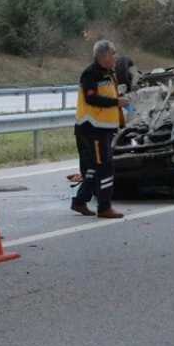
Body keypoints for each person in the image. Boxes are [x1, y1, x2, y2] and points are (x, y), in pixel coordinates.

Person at [71, 39, 129, 219]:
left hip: (104, 128)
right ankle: (104, 206)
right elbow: (91, 99)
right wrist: (115, 102)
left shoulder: (108, 73)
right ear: (104, 55)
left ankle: (80, 201)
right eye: (113, 53)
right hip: (92, 129)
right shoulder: (91, 73)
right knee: (105, 167)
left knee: (95, 167)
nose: (116, 57)